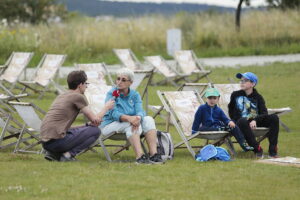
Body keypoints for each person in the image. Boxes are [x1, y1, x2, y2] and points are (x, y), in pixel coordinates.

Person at [41, 70, 114, 162]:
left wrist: (85, 125)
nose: (86, 86)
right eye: (86, 83)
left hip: (45, 143)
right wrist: (106, 107)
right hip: (56, 142)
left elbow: (63, 126)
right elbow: (96, 121)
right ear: (80, 85)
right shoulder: (78, 96)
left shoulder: (62, 95)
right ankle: (68, 155)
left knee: (83, 128)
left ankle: (55, 154)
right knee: (95, 131)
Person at [100, 68, 163, 164]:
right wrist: (130, 119)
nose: (119, 82)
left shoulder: (135, 94)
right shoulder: (112, 93)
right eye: (118, 79)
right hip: (109, 126)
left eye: (123, 80)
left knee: (149, 119)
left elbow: (140, 111)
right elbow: (113, 114)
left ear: (131, 83)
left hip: (132, 124)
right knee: (129, 123)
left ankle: (153, 154)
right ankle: (139, 157)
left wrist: (137, 118)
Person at [228, 72, 280, 158]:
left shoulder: (258, 97)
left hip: (255, 122)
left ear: (253, 84)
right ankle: (257, 149)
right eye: (241, 80)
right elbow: (231, 111)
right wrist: (236, 120)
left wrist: (255, 120)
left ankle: (273, 151)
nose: (242, 82)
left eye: (245, 80)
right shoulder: (235, 95)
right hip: (241, 122)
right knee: (243, 120)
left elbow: (264, 113)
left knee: (274, 117)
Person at [192, 88, 253, 152]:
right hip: (208, 127)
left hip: (219, 127)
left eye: (214, 98)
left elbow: (225, 119)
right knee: (201, 128)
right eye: (210, 98)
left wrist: (229, 122)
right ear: (206, 99)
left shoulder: (219, 110)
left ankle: (244, 144)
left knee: (233, 126)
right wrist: (194, 130)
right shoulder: (202, 108)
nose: (212, 100)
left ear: (218, 99)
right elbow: (197, 119)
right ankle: (219, 128)